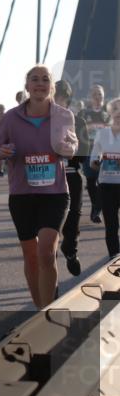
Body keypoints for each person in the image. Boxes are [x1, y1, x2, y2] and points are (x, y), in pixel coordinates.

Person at [0, 65, 78, 309]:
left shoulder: (63, 116)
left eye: (45, 79)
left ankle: (49, 313)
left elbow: (72, 145)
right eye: (34, 79)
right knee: (31, 255)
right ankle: (40, 312)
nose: (40, 84)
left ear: (51, 86)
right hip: (22, 194)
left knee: (46, 253)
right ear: (26, 86)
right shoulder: (10, 118)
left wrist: (67, 148)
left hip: (55, 193)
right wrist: (2, 151)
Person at [55, 80, 88, 276]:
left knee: (71, 222)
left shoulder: (79, 122)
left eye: (60, 98)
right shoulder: (42, 123)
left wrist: (68, 149)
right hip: (49, 178)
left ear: (67, 99)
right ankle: (50, 271)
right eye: (54, 98)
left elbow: (84, 155)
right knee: (49, 227)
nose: (57, 102)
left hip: (72, 176)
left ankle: (70, 251)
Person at [91, 98, 120, 257]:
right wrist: (96, 162)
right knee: (111, 224)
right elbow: (93, 160)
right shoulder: (102, 134)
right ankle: (114, 257)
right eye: (115, 109)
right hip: (107, 185)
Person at [80, 85, 110, 223]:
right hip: (88, 150)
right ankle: (95, 208)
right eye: (95, 94)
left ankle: (98, 208)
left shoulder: (108, 115)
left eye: (100, 94)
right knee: (91, 181)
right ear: (90, 97)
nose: (98, 97)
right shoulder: (84, 114)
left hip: (105, 153)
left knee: (103, 181)